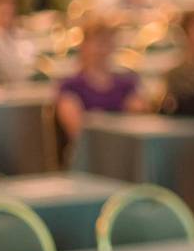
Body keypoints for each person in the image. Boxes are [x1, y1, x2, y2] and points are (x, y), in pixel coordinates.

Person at [54, 19, 145, 163]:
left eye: (107, 42)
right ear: (84, 46)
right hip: (89, 157)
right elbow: (77, 131)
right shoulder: (70, 86)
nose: (102, 49)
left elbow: (139, 119)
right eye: (97, 42)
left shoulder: (127, 83)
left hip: (124, 153)